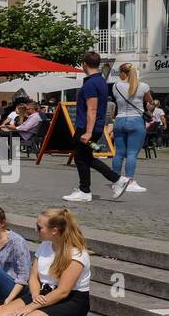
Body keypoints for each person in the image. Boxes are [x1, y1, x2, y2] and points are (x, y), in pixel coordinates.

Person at [64, 50, 129, 202]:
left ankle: (85, 190)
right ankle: (116, 180)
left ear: (84, 64)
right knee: (85, 157)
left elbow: (92, 109)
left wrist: (88, 132)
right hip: (96, 126)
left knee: (80, 158)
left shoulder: (90, 84)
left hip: (87, 126)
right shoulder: (100, 81)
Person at [109, 62, 152, 193]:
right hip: (136, 120)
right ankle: (130, 181)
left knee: (119, 153)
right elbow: (150, 103)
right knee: (132, 153)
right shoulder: (143, 86)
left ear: (123, 73)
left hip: (120, 120)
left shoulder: (116, 86)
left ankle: (116, 181)